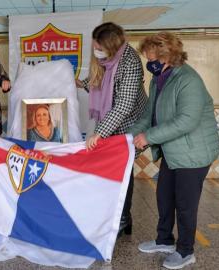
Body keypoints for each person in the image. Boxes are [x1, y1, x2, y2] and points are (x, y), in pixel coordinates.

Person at [128, 32, 219, 269]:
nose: (148, 61)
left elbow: (186, 121)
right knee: (164, 197)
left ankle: (186, 251)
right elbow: (149, 115)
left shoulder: (188, 80)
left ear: (167, 55)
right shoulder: (159, 78)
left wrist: (147, 137)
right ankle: (165, 240)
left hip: (193, 153)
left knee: (185, 204)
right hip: (173, 151)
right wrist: (128, 137)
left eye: (151, 56)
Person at [76, 22, 147, 236]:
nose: (96, 51)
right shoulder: (106, 57)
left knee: (124, 169)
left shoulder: (130, 61)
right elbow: (102, 80)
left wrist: (99, 133)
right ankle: (115, 216)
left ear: (111, 45)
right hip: (112, 121)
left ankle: (123, 218)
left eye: (99, 47)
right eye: (95, 46)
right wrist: (82, 83)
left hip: (131, 122)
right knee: (113, 170)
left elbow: (124, 103)